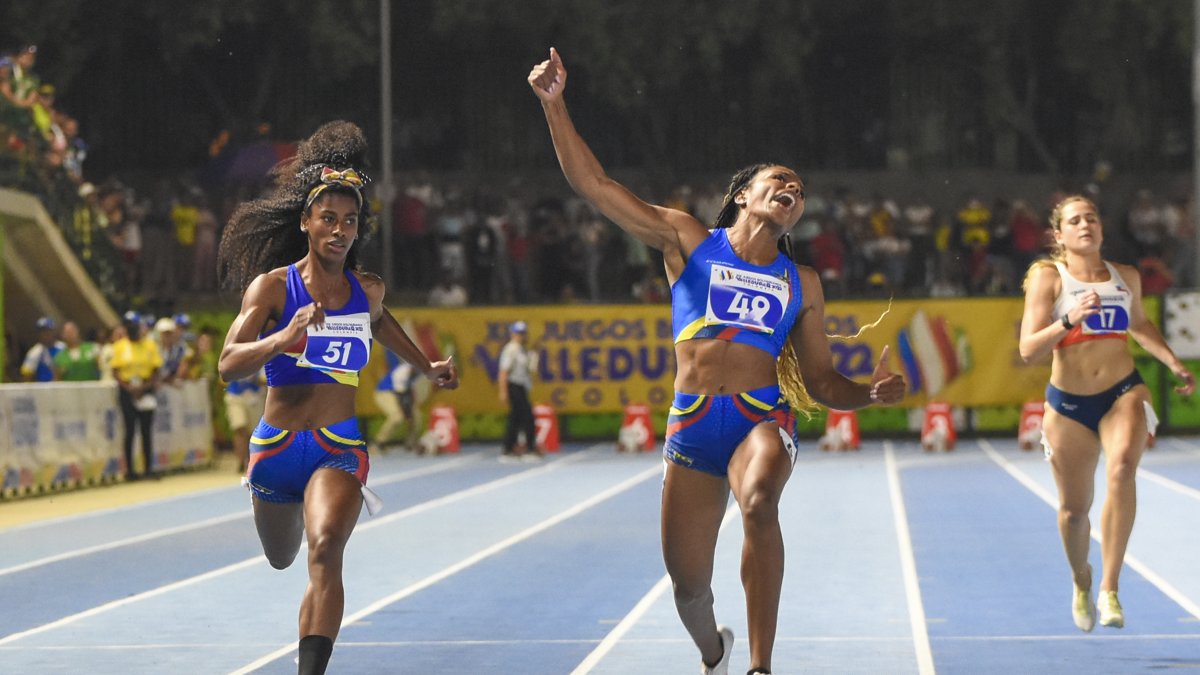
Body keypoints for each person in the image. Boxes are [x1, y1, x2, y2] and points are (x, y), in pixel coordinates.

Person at [528, 48, 906, 675]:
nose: (791, 190)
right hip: (693, 426)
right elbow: (593, 187)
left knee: (759, 503)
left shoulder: (802, 281)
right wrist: (554, 104)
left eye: (800, 190)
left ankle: (760, 665)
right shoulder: (685, 238)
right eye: (779, 181)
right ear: (743, 196)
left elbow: (821, 382)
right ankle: (716, 652)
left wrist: (871, 394)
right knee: (688, 589)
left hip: (761, 417)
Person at [216, 120, 458, 675]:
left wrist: (429, 367)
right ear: (305, 222)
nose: (339, 230)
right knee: (283, 558)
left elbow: (381, 322)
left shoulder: (365, 290)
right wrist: (283, 337)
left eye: (350, 221)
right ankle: (294, 511)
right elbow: (228, 365)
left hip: (337, 447)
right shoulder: (274, 288)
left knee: (326, 549)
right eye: (328, 218)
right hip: (276, 449)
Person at [1019, 195, 1195, 633]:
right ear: (1058, 235)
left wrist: (1172, 361)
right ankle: (1082, 579)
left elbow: (1139, 324)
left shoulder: (1126, 276)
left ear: (1102, 228)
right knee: (1074, 511)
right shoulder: (1048, 278)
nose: (1085, 225)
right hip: (1069, 405)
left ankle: (1110, 589)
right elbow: (1027, 351)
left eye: (1092, 218)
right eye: (1075, 220)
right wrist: (1069, 320)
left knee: (1121, 469)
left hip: (1123, 391)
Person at [109, 311, 163, 480]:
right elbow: (115, 370)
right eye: (129, 327)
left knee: (146, 430)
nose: (132, 330)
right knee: (130, 430)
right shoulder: (119, 346)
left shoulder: (150, 345)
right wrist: (129, 388)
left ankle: (148, 468)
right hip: (127, 391)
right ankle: (130, 471)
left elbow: (156, 368)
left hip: (145, 389)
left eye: (134, 326)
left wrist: (145, 386)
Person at [498, 320, 539, 461]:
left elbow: (530, 371)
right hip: (514, 386)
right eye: (518, 333)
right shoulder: (511, 349)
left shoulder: (523, 350)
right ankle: (529, 449)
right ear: (512, 334)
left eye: (523, 333)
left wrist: (534, 357)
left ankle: (509, 448)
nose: (521, 336)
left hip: (522, 386)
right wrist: (503, 391)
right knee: (527, 418)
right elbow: (504, 372)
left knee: (515, 418)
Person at [373, 350, 420, 453]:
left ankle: (411, 442)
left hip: (397, 394)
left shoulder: (415, 373)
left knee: (416, 416)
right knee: (397, 417)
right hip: (384, 393)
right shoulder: (401, 373)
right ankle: (379, 442)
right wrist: (408, 414)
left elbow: (411, 394)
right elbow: (402, 398)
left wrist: (411, 414)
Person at [20, 316, 63, 382]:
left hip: (63, 387)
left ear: (54, 332)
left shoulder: (63, 348)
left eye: (48, 331)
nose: (45, 334)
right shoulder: (34, 352)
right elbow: (27, 375)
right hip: (43, 389)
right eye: (42, 332)